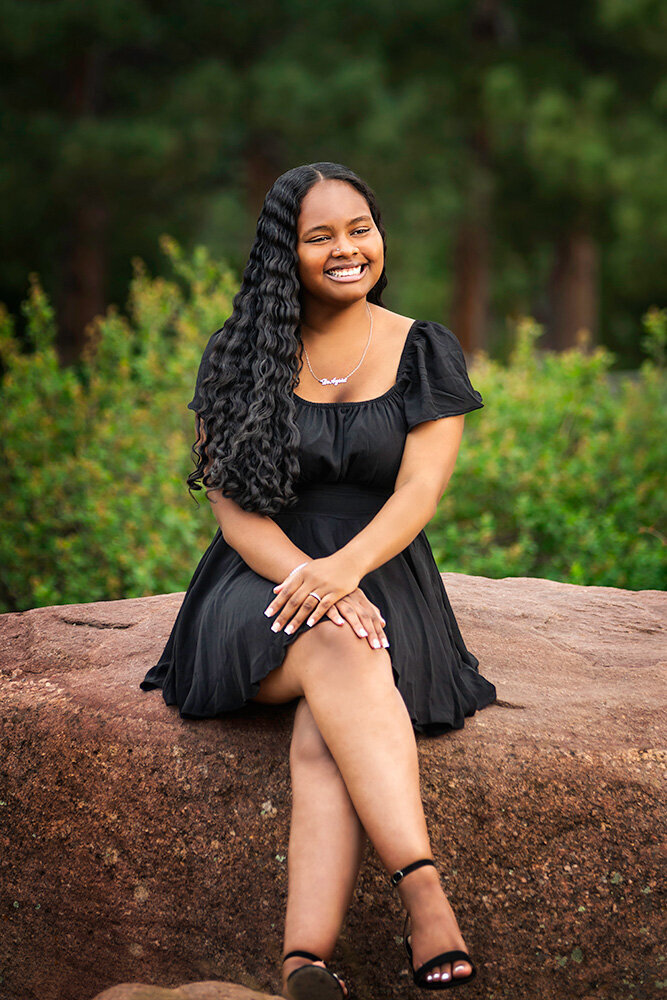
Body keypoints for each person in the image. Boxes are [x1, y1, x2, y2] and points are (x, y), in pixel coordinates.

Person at [140, 161, 497, 997]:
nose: (347, 249)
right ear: (284, 254)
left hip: (378, 565)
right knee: (339, 644)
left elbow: (418, 492)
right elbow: (233, 508)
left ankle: (302, 960)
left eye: (360, 228)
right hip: (260, 577)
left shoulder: (420, 347)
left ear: (379, 234)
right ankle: (423, 892)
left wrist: (343, 570)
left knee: (325, 717)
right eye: (320, 236)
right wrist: (310, 576)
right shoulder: (237, 355)